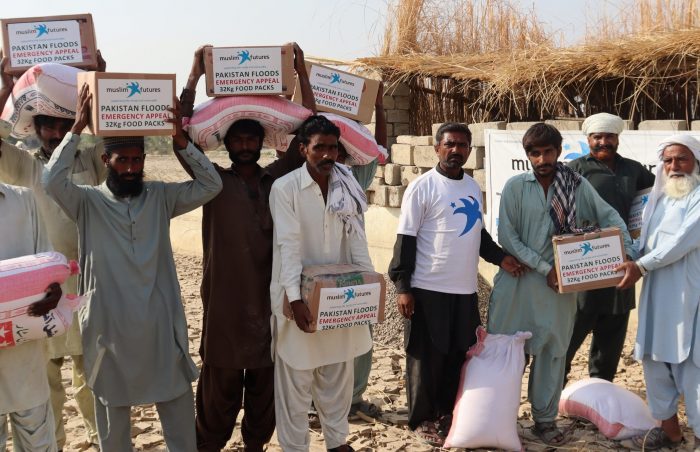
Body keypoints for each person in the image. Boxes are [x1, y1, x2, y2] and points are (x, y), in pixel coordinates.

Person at [43, 84, 222, 451]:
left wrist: (180, 138)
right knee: (113, 430)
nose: (130, 168)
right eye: (122, 160)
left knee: (179, 424)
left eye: (136, 160)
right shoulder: (86, 202)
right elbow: (50, 179)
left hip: (159, 325)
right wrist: (76, 129)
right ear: (106, 161)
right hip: (109, 331)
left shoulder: (160, 197)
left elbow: (211, 183)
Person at [176, 43, 312, 452]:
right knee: (216, 404)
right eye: (240, 138)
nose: (247, 144)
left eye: (254, 137)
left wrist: (300, 72)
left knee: (263, 402)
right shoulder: (213, 183)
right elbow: (181, 141)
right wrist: (194, 74)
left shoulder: (279, 179)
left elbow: (312, 128)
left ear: (263, 142)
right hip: (224, 312)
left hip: (270, 312)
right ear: (228, 143)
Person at [487, 123, 631, 446]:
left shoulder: (576, 186)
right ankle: (498, 416)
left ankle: (544, 421)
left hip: (560, 290)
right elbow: (507, 237)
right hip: (519, 285)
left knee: (553, 354)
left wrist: (629, 254)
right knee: (508, 353)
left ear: (559, 150)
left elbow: (610, 218)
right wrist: (544, 267)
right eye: (535, 153)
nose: (542, 159)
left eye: (548, 152)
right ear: (527, 156)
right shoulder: (514, 187)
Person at [387, 122, 526, 446]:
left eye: (463, 145)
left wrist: (500, 258)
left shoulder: (471, 187)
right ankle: (422, 419)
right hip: (427, 287)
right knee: (426, 356)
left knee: (458, 355)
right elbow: (404, 241)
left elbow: (476, 233)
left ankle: (447, 414)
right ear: (437, 148)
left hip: (464, 291)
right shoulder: (422, 187)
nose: (456, 150)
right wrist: (403, 286)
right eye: (450, 144)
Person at [0, 54, 108, 450]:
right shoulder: (25, 166)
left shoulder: (90, 161)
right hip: (35, 294)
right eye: (50, 126)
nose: (57, 133)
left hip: (86, 285)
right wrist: (7, 85)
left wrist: (102, 80)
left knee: (90, 380)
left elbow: (117, 131)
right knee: (46, 387)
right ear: (36, 128)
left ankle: (100, 443)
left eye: (65, 125)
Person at [270, 115, 371, 451]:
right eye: (319, 148)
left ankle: (337, 441)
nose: (328, 155)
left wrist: (368, 292)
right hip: (296, 300)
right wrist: (296, 300)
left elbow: (357, 241)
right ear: (303, 150)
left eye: (333, 148)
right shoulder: (285, 189)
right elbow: (289, 245)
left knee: (337, 378)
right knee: (295, 383)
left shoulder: (348, 186)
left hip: (340, 299)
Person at [615, 135, 700, 451]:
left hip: (688, 296)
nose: (674, 166)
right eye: (668, 160)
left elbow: (682, 242)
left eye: (682, 159)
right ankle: (671, 434)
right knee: (653, 362)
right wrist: (625, 256)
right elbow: (645, 243)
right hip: (654, 295)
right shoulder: (657, 198)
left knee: (693, 371)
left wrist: (640, 266)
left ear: (696, 163)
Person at [564, 113, 655, 384]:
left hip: (622, 262)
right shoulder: (574, 169)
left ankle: (600, 389)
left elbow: (656, 200)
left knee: (613, 328)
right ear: (588, 139)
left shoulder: (635, 170)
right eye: (597, 137)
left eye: (609, 137)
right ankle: (552, 389)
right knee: (574, 324)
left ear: (617, 138)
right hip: (585, 262)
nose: (603, 142)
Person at [0, 182, 62, 452]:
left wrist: (53, 289)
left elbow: (46, 262)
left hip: (23, 349)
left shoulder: (24, 199)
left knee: (37, 439)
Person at [341, 83, 387, 420]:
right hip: (318, 267)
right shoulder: (301, 177)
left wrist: (380, 106)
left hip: (357, 266)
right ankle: (321, 403)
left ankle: (354, 399)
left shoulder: (357, 174)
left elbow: (379, 147)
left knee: (362, 332)